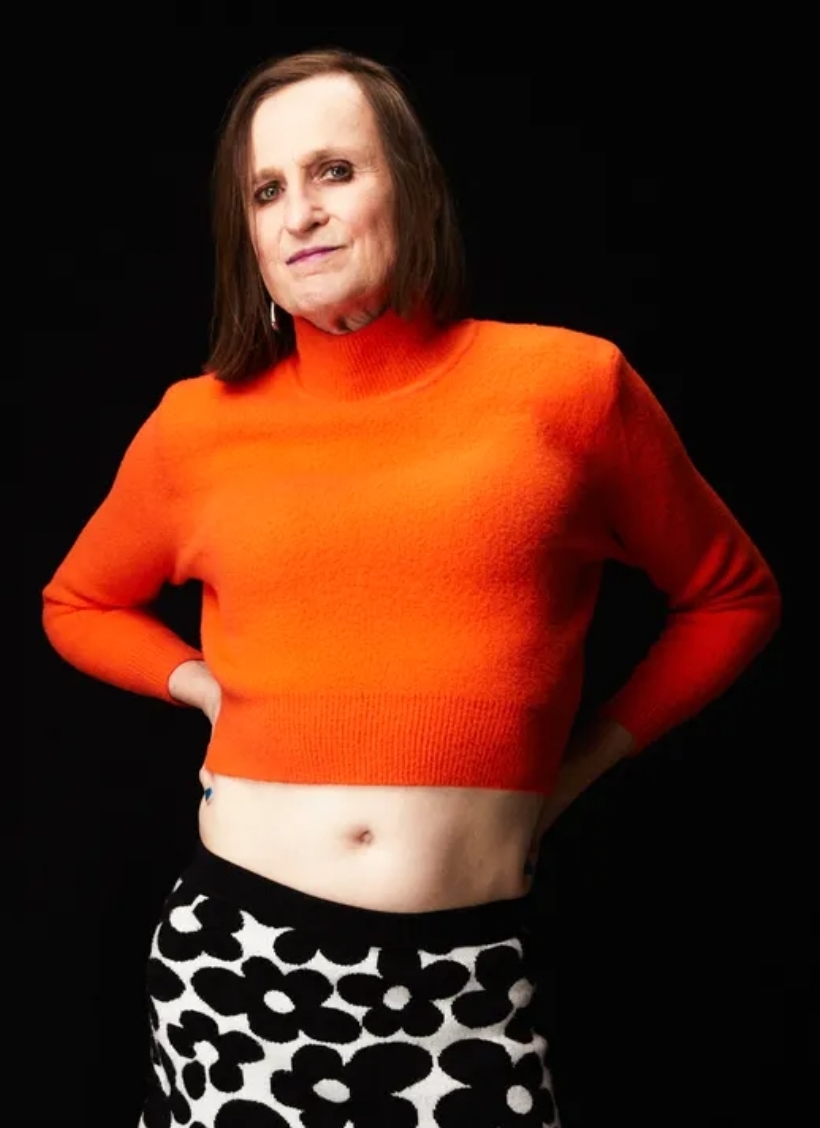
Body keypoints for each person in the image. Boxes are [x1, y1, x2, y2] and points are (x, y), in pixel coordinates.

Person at [41, 47, 781, 1128]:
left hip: (463, 979)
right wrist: (200, 686)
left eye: (335, 171)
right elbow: (76, 602)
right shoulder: (195, 425)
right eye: (266, 190)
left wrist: (576, 768)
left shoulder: (569, 388)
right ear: (247, 236)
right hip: (233, 966)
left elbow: (733, 597)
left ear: (411, 186)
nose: (300, 212)